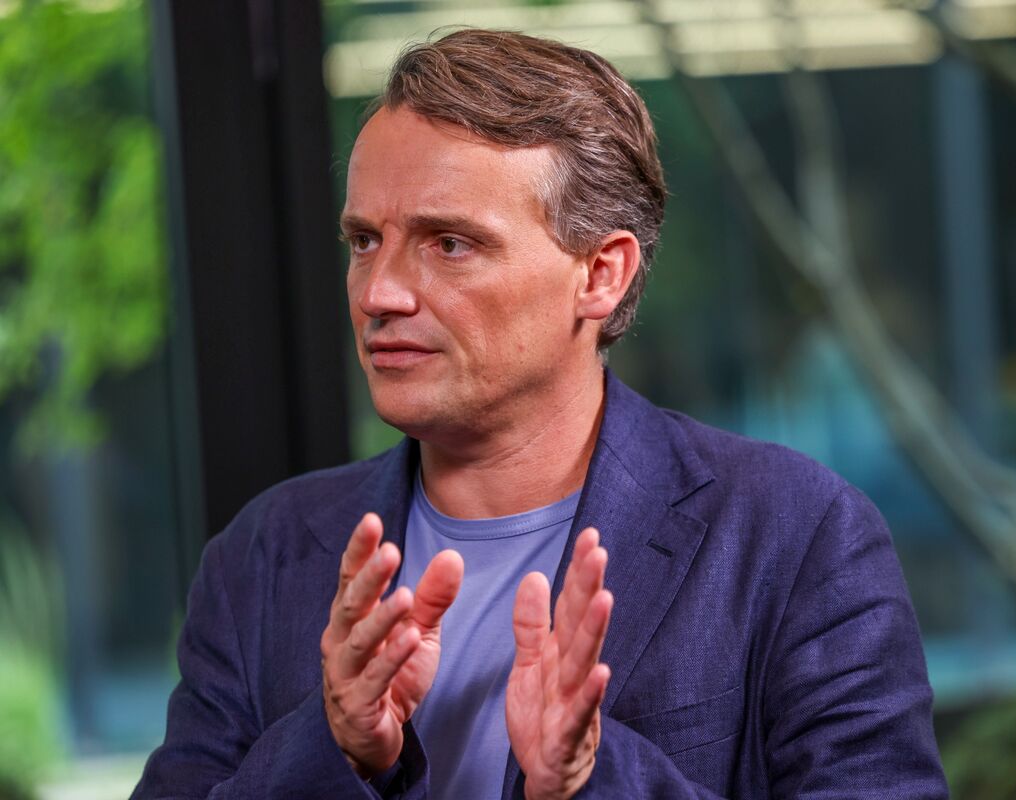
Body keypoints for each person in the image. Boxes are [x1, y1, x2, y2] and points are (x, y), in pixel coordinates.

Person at [133, 28, 948, 800]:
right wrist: (335, 744)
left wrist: (592, 777)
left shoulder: (795, 537)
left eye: (449, 243)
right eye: (364, 241)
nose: (380, 293)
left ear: (601, 275)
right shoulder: (263, 557)